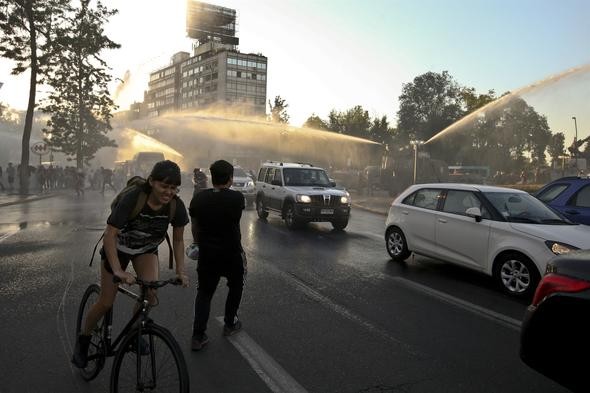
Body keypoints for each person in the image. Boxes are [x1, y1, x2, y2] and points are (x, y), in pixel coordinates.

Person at [71, 160, 190, 368]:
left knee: (151, 295)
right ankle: (83, 339)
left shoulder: (175, 206)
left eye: (173, 188)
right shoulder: (133, 198)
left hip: (145, 250)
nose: (168, 192)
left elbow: (179, 240)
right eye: (164, 186)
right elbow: (110, 235)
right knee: (106, 302)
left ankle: (135, 332)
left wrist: (181, 271)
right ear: (152, 182)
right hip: (117, 249)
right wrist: (118, 270)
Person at [189, 160, 246, 351]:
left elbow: (195, 226)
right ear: (230, 178)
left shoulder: (199, 198)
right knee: (236, 286)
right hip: (231, 253)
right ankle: (230, 324)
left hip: (207, 254)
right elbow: (235, 222)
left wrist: (198, 243)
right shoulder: (237, 198)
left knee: (204, 293)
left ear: (211, 177)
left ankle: (198, 336)